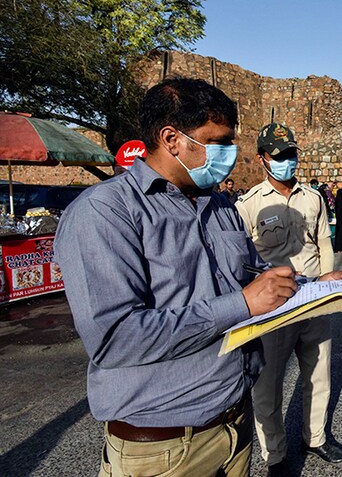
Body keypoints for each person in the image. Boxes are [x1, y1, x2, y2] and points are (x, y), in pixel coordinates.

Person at [54, 78, 313, 476]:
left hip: (235, 422)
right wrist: (242, 304)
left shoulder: (219, 205)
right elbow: (115, 338)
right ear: (171, 139)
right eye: (218, 142)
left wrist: (314, 286)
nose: (229, 154)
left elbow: (250, 275)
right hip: (164, 447)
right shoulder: (105, 212)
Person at [236, 123, 342, 475]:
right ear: (262, 158)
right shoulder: (249, 205)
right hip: (274, 308)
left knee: (319, 373)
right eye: (279, 155)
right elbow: (241, 259)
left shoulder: (312, 198)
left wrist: (329, 288)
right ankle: (275, 455)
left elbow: (323, 242)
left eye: (291, 154)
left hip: (313, 300)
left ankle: (315, 437)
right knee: (267, 386)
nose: (287, 160)